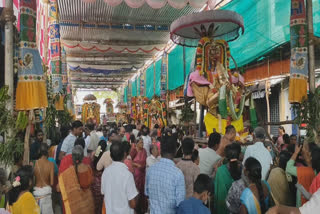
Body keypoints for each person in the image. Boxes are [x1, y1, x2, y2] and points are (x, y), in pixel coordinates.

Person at [145, 135, 186, 214]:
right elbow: (180, 203)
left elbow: (147, 193)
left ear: (160, 150)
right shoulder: (178, 174)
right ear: (175, 152)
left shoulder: (150, 170)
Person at [101, 141, 138, 214]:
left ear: (111, 156)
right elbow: (133, 204)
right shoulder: (127, 175)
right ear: (125, 154)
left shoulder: (105, 172)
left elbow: (103, 193)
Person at [58, 145, 95, 214]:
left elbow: (59, 188)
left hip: (74, 206)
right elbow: (91, 182)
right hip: (88, 205)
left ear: (72, 157)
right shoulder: (89, 168)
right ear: (82, 157)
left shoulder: (68, 172)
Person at [214, 143, 242, 214]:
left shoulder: (220, 171)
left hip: (223, 210)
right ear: (239, 155)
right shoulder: (244, 170)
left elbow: (218, 196)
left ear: (226, 156)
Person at [33, 143, 54, 214]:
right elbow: (51, 183)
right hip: (46, 195)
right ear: (47, 152)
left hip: (37, 194)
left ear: (39, 151)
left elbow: (32, 181)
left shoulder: (34, 163)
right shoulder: (51, 164)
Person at [131, 137, 148, 213]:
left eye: (143, 142)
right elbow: (129, 161)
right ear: (137, 143)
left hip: (143, 174)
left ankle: (142, 209)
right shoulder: (134, 151)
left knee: (142, 191)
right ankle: (136, 209)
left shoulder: (144, 150)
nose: (142, 144)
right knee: (136, 191)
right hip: (136, 175)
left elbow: (145, 161)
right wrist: (137, 165)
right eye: (141, 142)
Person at [91, 140, 107, 214]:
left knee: (94, 203)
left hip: (93, 181)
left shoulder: (93, 154)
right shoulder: (105, 155)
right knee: (101, 203)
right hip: (102, 181)